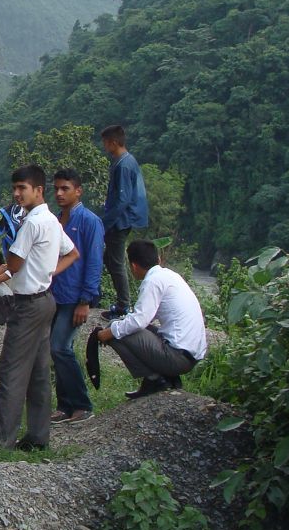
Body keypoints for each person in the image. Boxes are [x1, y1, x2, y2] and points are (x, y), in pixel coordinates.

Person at [0, 166, 79, 450]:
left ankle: (2, 442)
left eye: (22, 188)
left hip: (28, 305)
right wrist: (50, 273)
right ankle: (38, 437)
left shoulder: (32, 224)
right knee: (39, 373)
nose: (17, 194)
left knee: (11, 372)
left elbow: (14, 264)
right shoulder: (51, 220)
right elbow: (72, 253)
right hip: (45, 300)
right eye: (15, 188)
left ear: (38, 190)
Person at [95, 240, 207, 398]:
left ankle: (154, 379)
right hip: (191, 355)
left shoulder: (152, 282)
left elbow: (139, 321)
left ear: (133, 266)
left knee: (116, 328)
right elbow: (146, 317)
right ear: (158, 259)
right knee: (123, 326)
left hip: (178, 358)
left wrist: (109, 332)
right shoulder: (169, 275)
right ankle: (166, 378)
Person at [48, 169, 104, 425]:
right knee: (59, 350)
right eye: (57, 188)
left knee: (60, 347)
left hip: (74, 297)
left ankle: (82, 404)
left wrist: (85, 300)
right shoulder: (56, 220)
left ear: (78, 191)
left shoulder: (89, 221)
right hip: (56, 294)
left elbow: (94, 261)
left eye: (65, 189)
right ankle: (65, 405)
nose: (59, 193)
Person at [100, 124, 149, 319]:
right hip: (123, 218)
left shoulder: (123, 165)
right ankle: (122, 302)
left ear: (113, 142)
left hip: (121, 220)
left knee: (116, 261)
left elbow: (122, 199)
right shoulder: (126, 161)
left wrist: (105, 223)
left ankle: (123, 306)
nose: (104, 146)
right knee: (110, 259)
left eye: (105, 142)